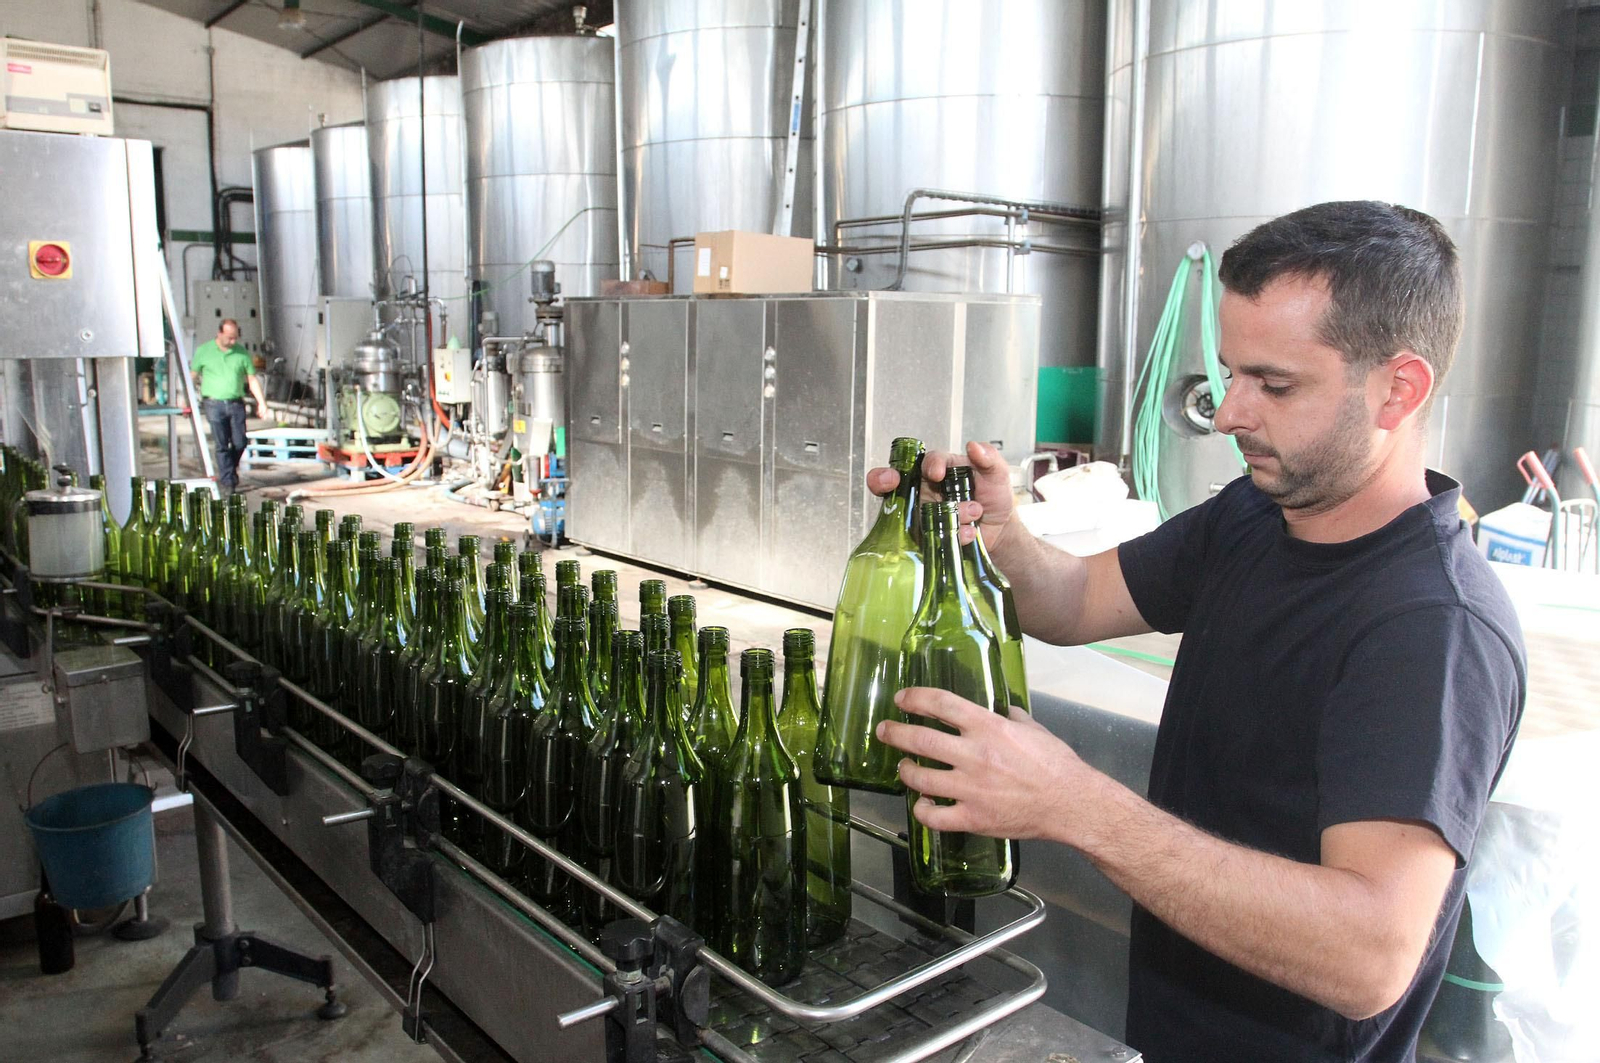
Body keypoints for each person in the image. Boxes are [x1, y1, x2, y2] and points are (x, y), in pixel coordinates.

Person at [873, 201, 1525, 1062]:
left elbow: (1371, 951)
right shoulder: (1254, 516)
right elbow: (1071, 599)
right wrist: (999, 540)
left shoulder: (1432, 628)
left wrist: (1076, 803)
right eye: (1230, 374)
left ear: (1398, 389)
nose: (1227, 415)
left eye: (1275, 384)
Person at [190, 318, 267, 495]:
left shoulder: (241, 353)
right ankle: (228, 482)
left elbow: (251, 379)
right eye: (229, 338)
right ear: (220, 333)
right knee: (222, 444)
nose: (233, 342)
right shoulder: (204, 351)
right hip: (213, 403)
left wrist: (261, 402)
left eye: (235, 338)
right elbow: (193, 375)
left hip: (235, 403)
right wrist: (186, 399)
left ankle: (229, 470)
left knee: (240, 442)